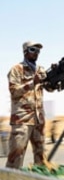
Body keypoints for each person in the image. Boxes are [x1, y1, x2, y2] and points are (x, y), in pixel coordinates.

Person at [6, 41, 53, 169]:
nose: (36, 53)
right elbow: (14, 91)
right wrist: (33, 82)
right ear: (25, 51)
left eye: (38, 51)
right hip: (22, 119)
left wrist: (55, 76)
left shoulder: (40, 70)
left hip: (39, 119)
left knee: (42, 156)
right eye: (33, 50)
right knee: (16, 155)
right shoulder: (16, 69)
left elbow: (50, 89)